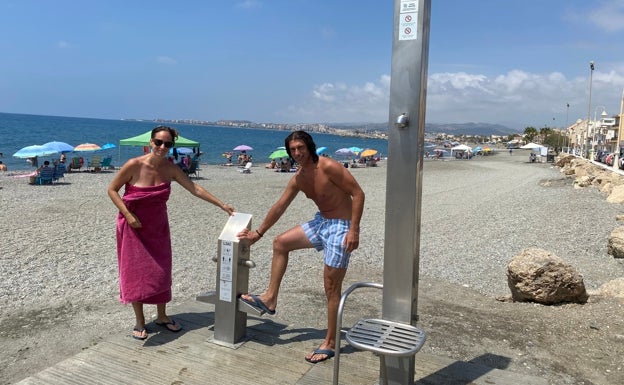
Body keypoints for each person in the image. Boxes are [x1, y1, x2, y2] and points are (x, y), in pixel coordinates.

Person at [237, 130, 365, 364]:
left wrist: (353, 230)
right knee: (281, 243)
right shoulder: (299, 177)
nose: (297, 153)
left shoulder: (328, 166)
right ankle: (270, 298)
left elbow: (358, 193)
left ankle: (331, 342)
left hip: (341, 227)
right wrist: (259, 233)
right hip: (322, 222)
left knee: (330, 287)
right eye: (293, 150)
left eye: (301, 148)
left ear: (310, 147)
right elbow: (280, 205)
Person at [107, 125, 235, 341]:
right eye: (159, 142)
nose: (162, 147)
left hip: (158, 228)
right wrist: (127, 214)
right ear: (150, 142)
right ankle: (139, 320)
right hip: (134, 227)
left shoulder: (171, 168)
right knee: (135, 273)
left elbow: (195, 188)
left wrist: (221, 205)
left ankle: (162, 316)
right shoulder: (133, 165)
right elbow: (112, 190)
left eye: (168, 144)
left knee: (161, 272)